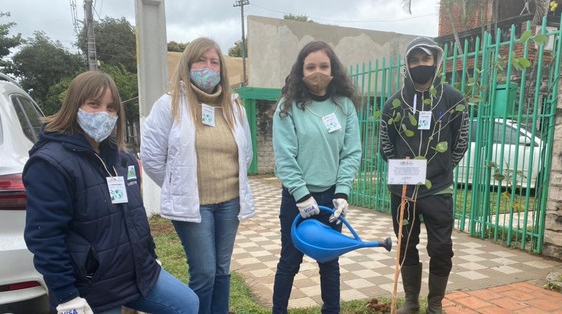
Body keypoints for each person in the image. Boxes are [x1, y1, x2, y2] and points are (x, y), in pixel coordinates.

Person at [23, 71, 199, 314]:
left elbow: (136, 217)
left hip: (135, 273)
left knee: (188, 304)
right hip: (89, 287)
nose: (103, 114)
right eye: (94, 104)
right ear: (74, 106)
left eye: (111, 108)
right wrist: (67, 296)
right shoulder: (50, 164)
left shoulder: (123, 159)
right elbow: (45, 238)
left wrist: (149, 257)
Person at [140, 37, 255, 314]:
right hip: (194, 206)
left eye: (214, 62)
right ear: (187, 65)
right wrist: (177, 186)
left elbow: (246, 153)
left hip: (229, 202)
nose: (208, 67)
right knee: (204, 272)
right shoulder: (170, 105)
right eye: (201, 61)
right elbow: (152, 156)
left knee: (222, 269)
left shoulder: (234, 106)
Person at [379, 37, 470, 314]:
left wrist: (441, 167)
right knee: (405, 243)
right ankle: (410, 301)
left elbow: (461, 142)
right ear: (407, 65)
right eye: (414, 60)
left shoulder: (454, 101)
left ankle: (435, 304)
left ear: (436, 62)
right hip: (402, 189)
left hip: (438, 189)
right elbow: (385, 145)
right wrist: (402, 167)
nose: (420, 65)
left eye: (425, 59)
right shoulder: (394, 105)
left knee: (441, 247)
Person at [271, 40, 362, 314]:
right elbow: (285, 157)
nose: (317, 72)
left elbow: (351, 152)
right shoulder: (288, 107)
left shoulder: (344, 106)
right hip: (297, 200)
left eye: (324, 66)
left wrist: (343, 192)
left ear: (334, 70)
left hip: (331, 200)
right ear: (300, 71)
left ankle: (331, 311)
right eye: (310, 67)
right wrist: (301, 194)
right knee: (289, 260)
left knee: (330, 261)